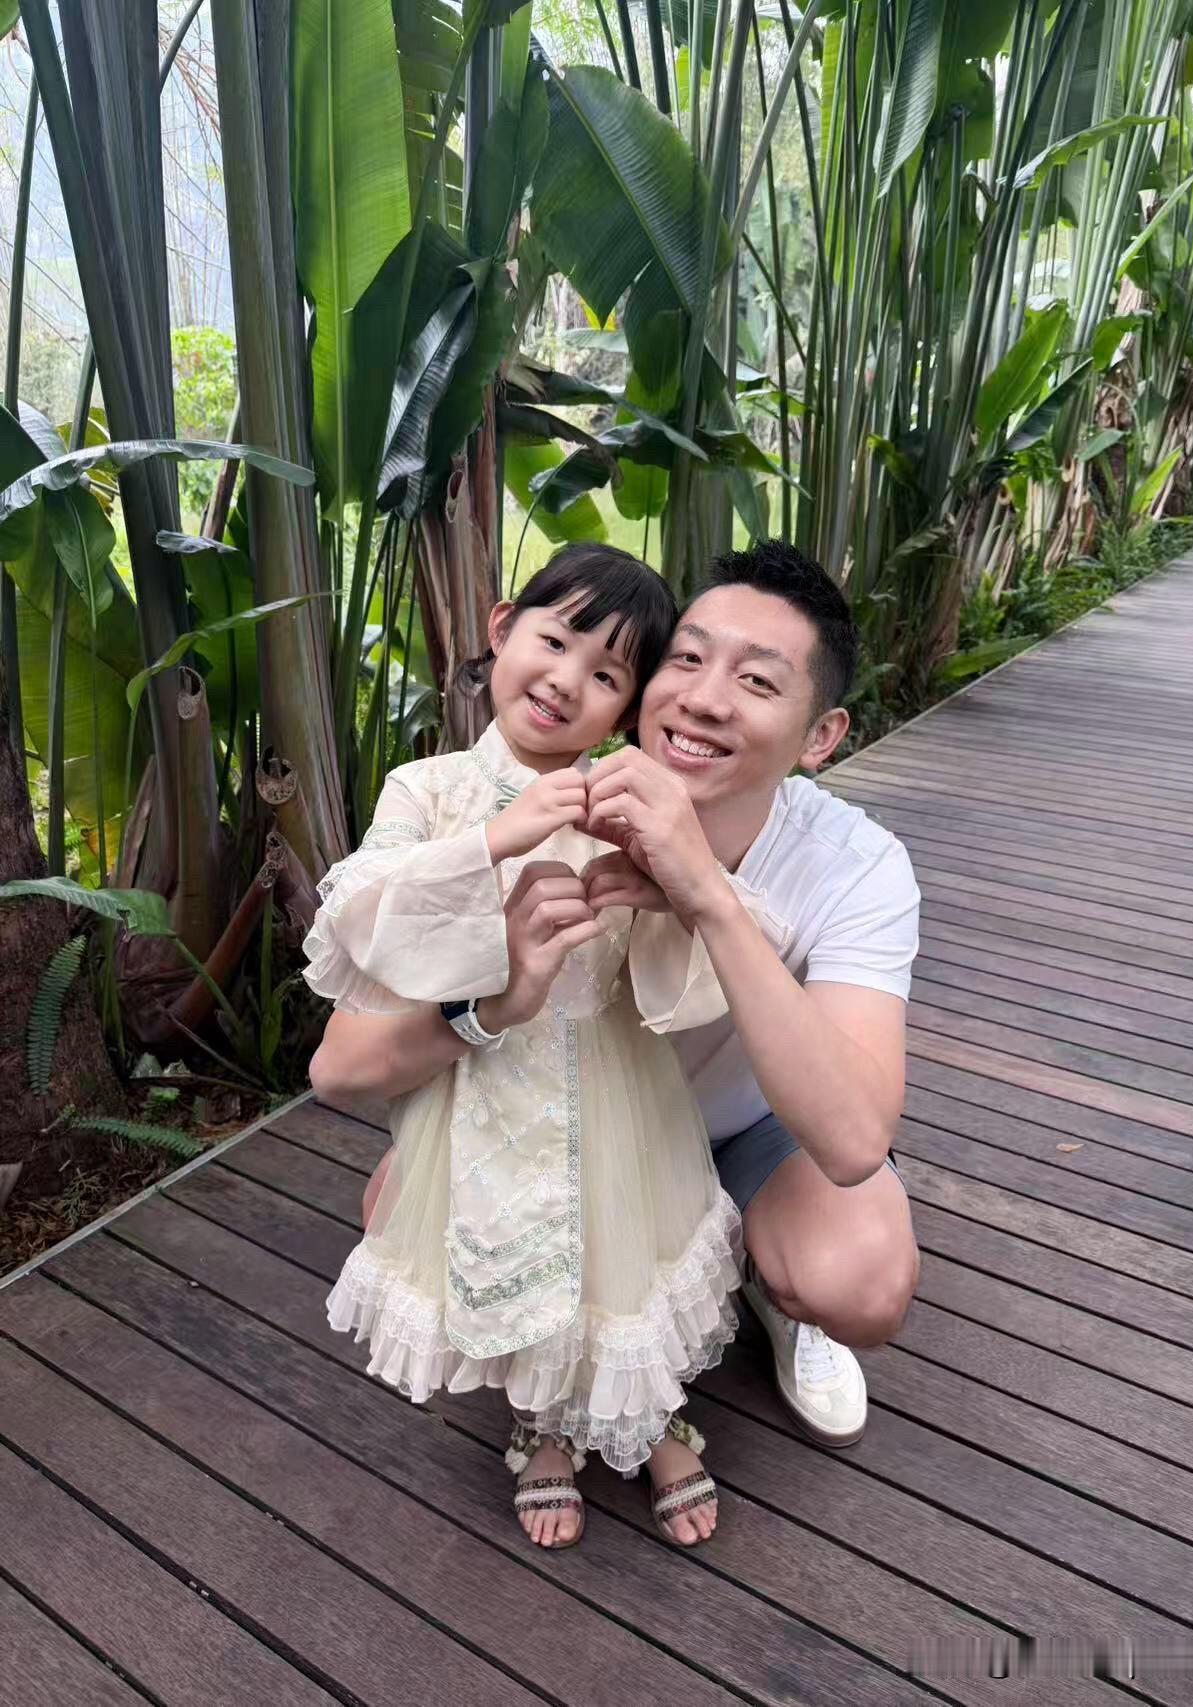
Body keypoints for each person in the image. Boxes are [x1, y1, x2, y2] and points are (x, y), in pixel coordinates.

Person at [313, 539, 921, 1458]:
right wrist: (491, 994)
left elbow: (853, 1139)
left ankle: (765, 1284)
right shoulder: (545, 800)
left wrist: (702, 893)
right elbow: (339, 1063)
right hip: (561, 1111)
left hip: (747, 1127)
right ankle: (556, 1407)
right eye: (687, 659)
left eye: (757, 682)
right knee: (399, 1211)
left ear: (820, 736)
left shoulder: (857, 864)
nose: (705, 698)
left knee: (856, 1277)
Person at [303, 544, 773, 1553]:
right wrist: (496, 840)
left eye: (606, 674)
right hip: (483, 1092)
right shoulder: (427, 789)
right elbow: (360, 917)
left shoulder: (629, 800)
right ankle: (542, 1429)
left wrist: (666, 897)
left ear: (628, 708)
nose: (565, 680)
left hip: (616, 1089)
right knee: (514, 1251)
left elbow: (702, 959)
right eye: (555, 641)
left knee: (621, 1257)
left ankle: (653, 1419)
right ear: (502, 626)